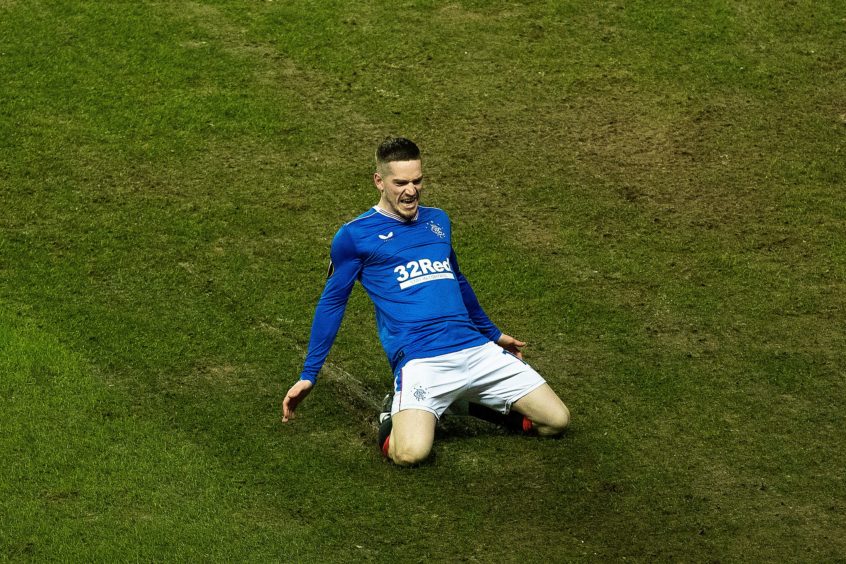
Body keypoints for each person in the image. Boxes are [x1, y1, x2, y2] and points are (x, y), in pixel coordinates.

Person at [282, 137, 570, 466]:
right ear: (379, 181)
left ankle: (462, 402)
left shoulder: (438, 221)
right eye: (400, 182)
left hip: (474, 348)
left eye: (417, 181)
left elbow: (457, 279)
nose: (411, 191)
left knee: (556, 421)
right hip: (421, 360)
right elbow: (333, 303)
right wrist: (309, 374)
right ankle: (394, 416)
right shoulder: (354, 236)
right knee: (410, 454)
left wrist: (492, 334)